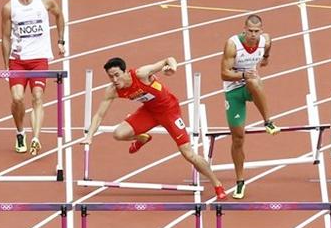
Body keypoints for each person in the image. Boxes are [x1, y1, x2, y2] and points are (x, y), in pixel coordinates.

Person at [81, 57, 227, 200]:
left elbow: (168, 59)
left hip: (169, 112)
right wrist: (90, 136)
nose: (114, 80)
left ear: (125, 72)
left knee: (188, 154)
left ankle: (217, 185)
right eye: (110, 76)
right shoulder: (112, 90)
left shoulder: (141, 74)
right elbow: (99, 115)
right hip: (149, 112)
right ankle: (142, 137)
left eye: (117, 75)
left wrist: (173, 68)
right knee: (118, 134)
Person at [1, 0, 65, 155]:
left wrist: (60, 41)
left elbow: (59, 16)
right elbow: (5, 37)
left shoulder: (45, 0)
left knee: (37, 97)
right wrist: (6, 65)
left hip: (39, 58)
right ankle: (20, 133)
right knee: (18, 98)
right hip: (18, 60)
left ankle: (36, 138)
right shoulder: (9, 8)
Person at [220, 14, 280, 199]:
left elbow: (269, 44)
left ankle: (268, 122)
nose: (253, 35)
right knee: (238, 138)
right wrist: (244, 75)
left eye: (257, 31)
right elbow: (224, 74)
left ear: (261, 31)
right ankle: (240, 182)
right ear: (244, 29)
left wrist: (266, 58)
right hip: (233, 90)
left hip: (252, 86)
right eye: (250, 31)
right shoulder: (232, 44)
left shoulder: (265, 40)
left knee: (254, 82)